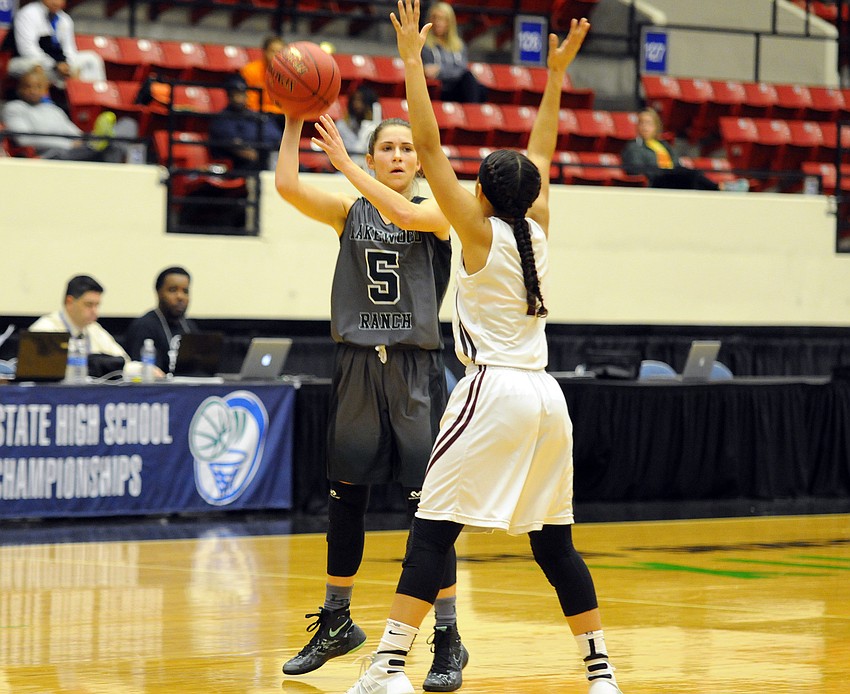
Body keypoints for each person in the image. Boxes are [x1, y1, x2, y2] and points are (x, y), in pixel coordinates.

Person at [347, 4, 621, 694]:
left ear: (478, 192)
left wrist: (411, 59)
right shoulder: (540, 227)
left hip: (492, 389)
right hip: (545, 398)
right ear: (530, 194)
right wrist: (556, 78)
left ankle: (386, 666)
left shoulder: (475, 230)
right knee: (554, 543)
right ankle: (601, 672)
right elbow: (545, 152)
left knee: (432, 532)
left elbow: (431, 148)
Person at [274, 83, 469, 689]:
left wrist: (347, 168)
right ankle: (336, 621)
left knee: (428, 508)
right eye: (388, 148)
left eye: (409, 149)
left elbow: (404, 212)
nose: (400, 156)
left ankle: (447, 636)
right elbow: (284, 186)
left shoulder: (439, 208)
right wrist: (290, 119)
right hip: (358, 363)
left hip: (415, 370)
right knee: (346, 497)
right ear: (375, 153)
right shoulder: (347, 210)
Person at [2, 66, 134, 161]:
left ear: (45, 90)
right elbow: (25, 139)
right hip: (51, 155)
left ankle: (106, 142)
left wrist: (87, 139)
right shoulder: (13, 108)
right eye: (28, 86)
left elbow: (75, 134)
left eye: (38, 87)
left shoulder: (53, 109)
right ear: (19, 89)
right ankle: (107, 146)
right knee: (107, 147)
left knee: (128, 123)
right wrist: (68, 144)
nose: (32, 91)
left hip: (77, 150)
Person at [621, 107, 748, 191]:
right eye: (641, 123)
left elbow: (675, 162)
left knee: (691, 178)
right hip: (657, 180)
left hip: (671, 176)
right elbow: (635, 171)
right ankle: (721, 188)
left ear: (656, 126)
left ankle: (722, 189)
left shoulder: (663, 145)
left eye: (648, 123)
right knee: (692, 175)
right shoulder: (634, 147)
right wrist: (660, 173)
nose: (644, 127)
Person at [30, 274, 130, 373]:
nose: (95, 311)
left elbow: (124, 362)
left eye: (97, 305)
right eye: (89, 305)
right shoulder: (44, 330)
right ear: (69, 302)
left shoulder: (94, 329)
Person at [1, 0, 105, 88]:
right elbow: (27, 50)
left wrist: (67, 65)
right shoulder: (28, 13)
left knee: (92, 59)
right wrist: (55, 65)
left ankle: (93, 100)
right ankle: (49, 100)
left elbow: (69, 50)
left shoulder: (65, 19)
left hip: (56, 62)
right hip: (21, 61)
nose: (56, 2)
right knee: (36, 65)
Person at [123, 266, 199, 375]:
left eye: (185, 291)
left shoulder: (190, 327)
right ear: (158, 292)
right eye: (173, 290)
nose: (180, 297)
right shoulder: (144, 326)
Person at [208, 75, 283, 171]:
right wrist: (261, 158)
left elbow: (277, 137)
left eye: (241, 93)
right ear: (229, 96)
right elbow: (237, 148)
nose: (238, 97)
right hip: (240, 165)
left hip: (271, 158)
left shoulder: (258, 116)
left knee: (299, 169)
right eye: (235, 94)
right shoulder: (222, 119)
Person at [420, 1, 485, 104]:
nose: (437, 22)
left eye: (442, 19)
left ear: (449, 22)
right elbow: (429, 71)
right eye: (434, 17)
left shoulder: (459, 45)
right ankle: (473, 112)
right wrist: (454, 69)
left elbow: (462, 68)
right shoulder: (423, 44)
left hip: (459, 86)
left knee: (477, 84)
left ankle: (473, 113)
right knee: (468, 78)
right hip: (440, 89)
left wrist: (440, 69)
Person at [240, 35, 286, 125]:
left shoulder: (289, 75)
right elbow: (250, 103)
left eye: (280, 52)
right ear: (264, 52)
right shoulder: (250, 71)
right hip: (256, 117)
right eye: (273, 51)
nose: (276, 55)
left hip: (281, 117)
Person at [333, 84, 381, 169]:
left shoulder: (378, 127)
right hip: (346, 169)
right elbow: (354, 151)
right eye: (354, 100)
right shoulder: (342, 125)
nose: (356, 104)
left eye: (360, 100)